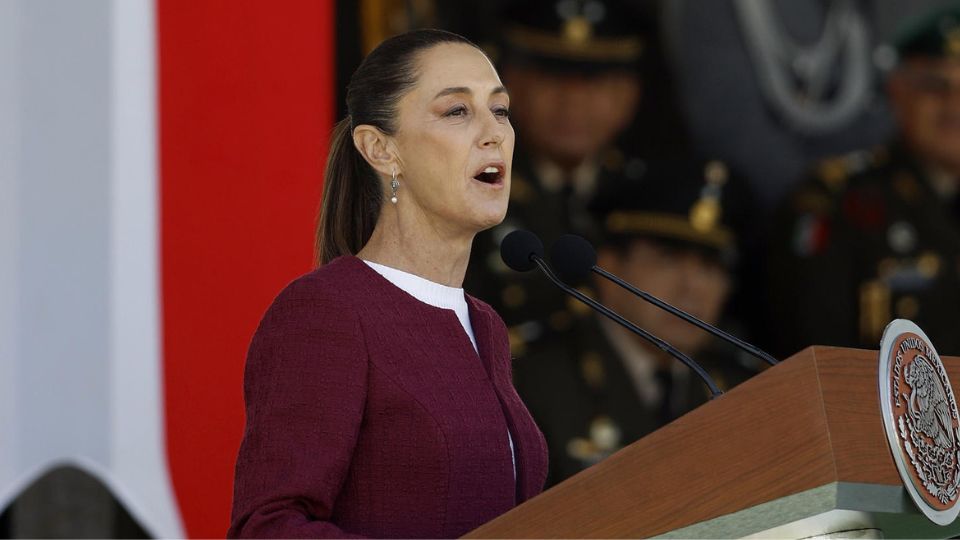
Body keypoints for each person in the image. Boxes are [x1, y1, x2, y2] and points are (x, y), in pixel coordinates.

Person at [227, 29, 548, 538]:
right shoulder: (327, 312)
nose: (494, 133)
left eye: (501, 110)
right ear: (380, 149)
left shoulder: (484, 324)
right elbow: (267, 528)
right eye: (457, 111)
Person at [514, 157, 760, 486]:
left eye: (708, 267)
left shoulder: (741, 386)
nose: (692, 287)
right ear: (609, 268)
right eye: (667, 260)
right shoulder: (530, 377)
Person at [767, 5, 960, 357]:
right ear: (897, 93)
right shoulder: (839, 200)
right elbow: (814, 354)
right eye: (935, 86)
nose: (954, 105)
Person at [465, 0, 648, 359]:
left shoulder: (647, 198)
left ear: (629, 94)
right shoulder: (465, 189)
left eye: (594, 82)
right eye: (552, 77)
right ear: (510, 84)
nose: (573, 102)